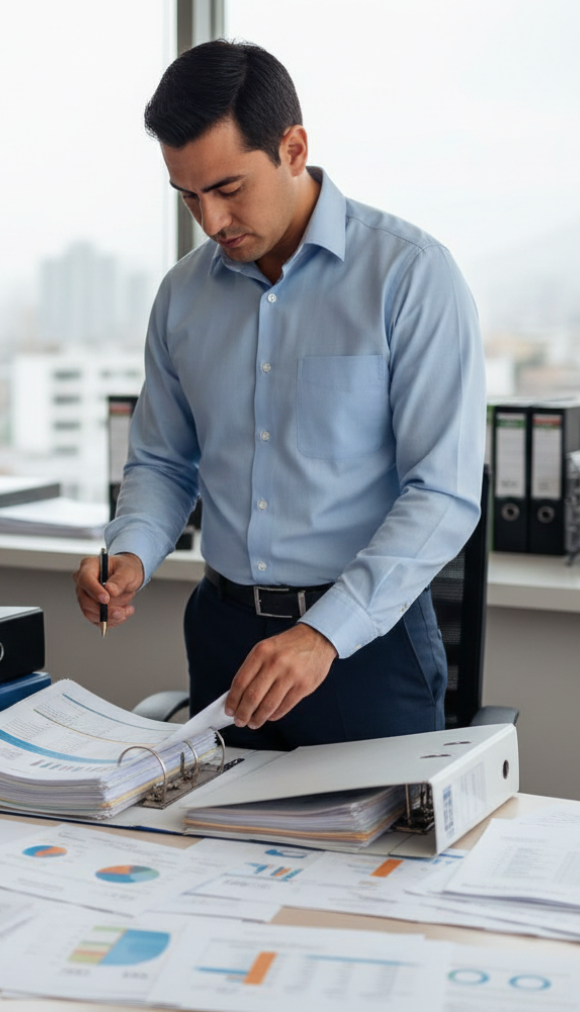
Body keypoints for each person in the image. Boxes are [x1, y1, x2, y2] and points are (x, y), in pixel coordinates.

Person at [73, 40, 485, 750]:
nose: (209, 220)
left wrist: (323, 632)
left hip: (362, 645)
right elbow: (165, 462)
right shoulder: (182, 296)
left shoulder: (411, 276)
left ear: (293, 148)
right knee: (213, 857)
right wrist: (131, 552)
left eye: (228, 189)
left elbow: (441, 493)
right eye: (188, 196)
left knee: (374, 861)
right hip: (223, 637)